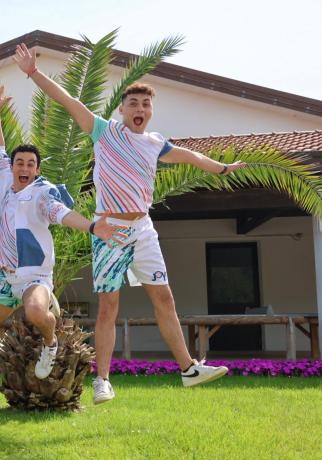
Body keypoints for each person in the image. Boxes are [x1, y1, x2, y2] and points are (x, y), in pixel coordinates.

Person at [13, 43, 246, 403]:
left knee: (164, 299)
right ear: (122, 109)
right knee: (109, 306)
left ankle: (188, 369)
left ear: (151, 111)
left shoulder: (155, 143)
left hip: (144, 229)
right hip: (110, 229)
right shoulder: (104, 132)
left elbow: (190, 155)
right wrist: (33, 73)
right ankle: (102, 380)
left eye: (146, 104)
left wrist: (220, 167)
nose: (140, 109)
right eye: (133, 104)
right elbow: (69, 101)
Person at [0, 83, 126, 380]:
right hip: (8, 278)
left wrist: (92, 226)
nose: (24, 167)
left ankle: (49, 340)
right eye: (20, 162)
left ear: (37, 170)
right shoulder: (5, 179)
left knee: (34, 312)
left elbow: (62, 213)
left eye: (31, 164)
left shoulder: (42, 194)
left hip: (35, 276)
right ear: (13, 166)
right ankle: (30, 312)